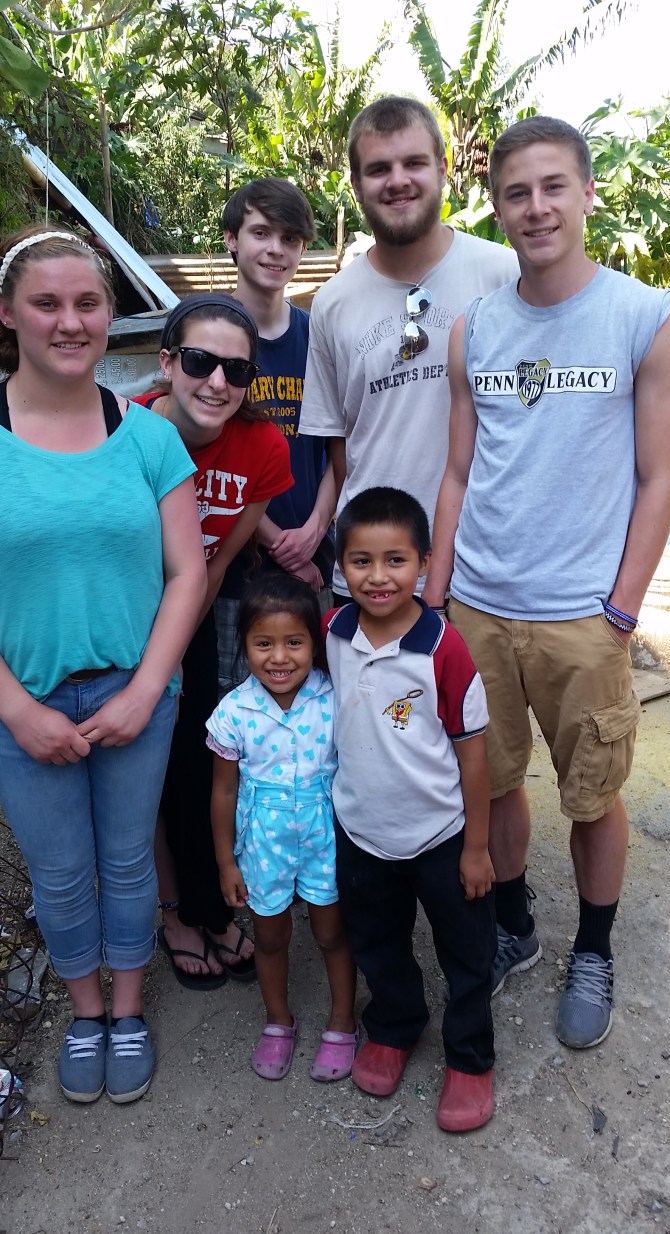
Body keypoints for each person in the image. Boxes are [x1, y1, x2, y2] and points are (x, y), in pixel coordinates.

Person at [424, 116, 670, 1049]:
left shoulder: (643, 314)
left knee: (593, 795)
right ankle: (517, 929)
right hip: (481, 607)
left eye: (552, 187)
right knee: (491, 787)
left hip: (583, 616)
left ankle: (597, 948)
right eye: (516, 192)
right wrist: (439, 593)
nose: (535, 207)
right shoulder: (474, 328)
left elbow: (660, 475)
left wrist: (621, 606)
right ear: (496, 204)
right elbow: (458, 472)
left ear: (584, 193)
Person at [0, 226, 206, 1103]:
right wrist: (15, 709)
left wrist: (147, 690)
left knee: (127, 860)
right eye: (47, 302)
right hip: (23, 701)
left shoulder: (149, 438)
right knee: (57, 869)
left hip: (136, 694)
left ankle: (128, 1008)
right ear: (9, 314)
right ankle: (84, 1013)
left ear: (110, 313)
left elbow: (188, 569)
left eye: (87, 302)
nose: (70, 321)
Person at [324, 487, 496, 1133]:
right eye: (360, 561)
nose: (378, 576)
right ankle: (395, 1025)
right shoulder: (333, 634)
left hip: (440, 836)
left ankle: (471, 1055)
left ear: (424, 563)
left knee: (467, 949)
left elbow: (473, 755)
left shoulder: (443, 649)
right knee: (376, 941)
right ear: (340, 566)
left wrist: (478, 848)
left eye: (395, 560)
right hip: (362, 831)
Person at [299, 96, 519, 599]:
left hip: (483, 569)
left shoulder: (504, 274)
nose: (397, 180)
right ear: (356, 186)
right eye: (378, 169)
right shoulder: (332, 302)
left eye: (414, 163)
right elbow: (339, 441)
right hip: (370, 576)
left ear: (443, 168)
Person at [135, 295, 293, 988]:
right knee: (151, 772)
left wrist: (176, 648)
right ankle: (176, 913)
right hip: (121, 621)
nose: (218, 382)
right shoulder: (127, 429)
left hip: (193, 614)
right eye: (200, 362)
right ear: (168, 362)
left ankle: (213, 907)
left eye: (237, 370)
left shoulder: (262, 445)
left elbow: (221, 559)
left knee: (202, 763)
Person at [207, 573, 357, 1082]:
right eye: (263, 643)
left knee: (332, 933)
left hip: (326, 838)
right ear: (243, 644)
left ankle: (342, 1022)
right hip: (262, 846)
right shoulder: (233, 713)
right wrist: (227, 862)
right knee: (270, 938)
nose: (279, 657)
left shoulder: (334, 700)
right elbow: (223, 791)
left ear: (314, 644)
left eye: (294, 642)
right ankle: (278, 1022)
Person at [216, 178, 336, 691]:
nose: (275, 249)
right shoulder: (211, 334)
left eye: (290, 238)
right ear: (231, 239)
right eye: (261, 232)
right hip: (236, 568)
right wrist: (276, 541)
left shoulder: (319, 335)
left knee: (317, 708)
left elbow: (340, 444)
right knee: (232, 713)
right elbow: (202, 449)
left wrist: (312, 532)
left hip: (314, 563)